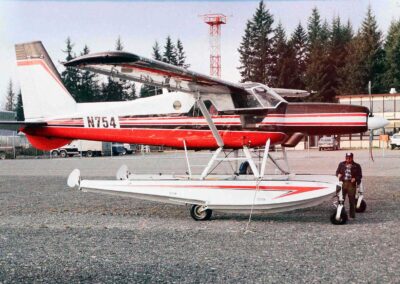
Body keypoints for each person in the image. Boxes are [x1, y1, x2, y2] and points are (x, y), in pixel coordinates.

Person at [335, 152, 362, 219]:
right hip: (342, 183)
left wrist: (355, 178)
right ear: (345, 158)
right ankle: (342, 214)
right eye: (347, 158)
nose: (348, 159)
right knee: (341, 200)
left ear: (352, 158)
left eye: (349, 158)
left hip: (351, 184)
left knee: (352, 200)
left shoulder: (357, 166)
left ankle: (352, 215)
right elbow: (337, 172)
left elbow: (360, 176)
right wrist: (338, 174)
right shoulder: (341, 164)